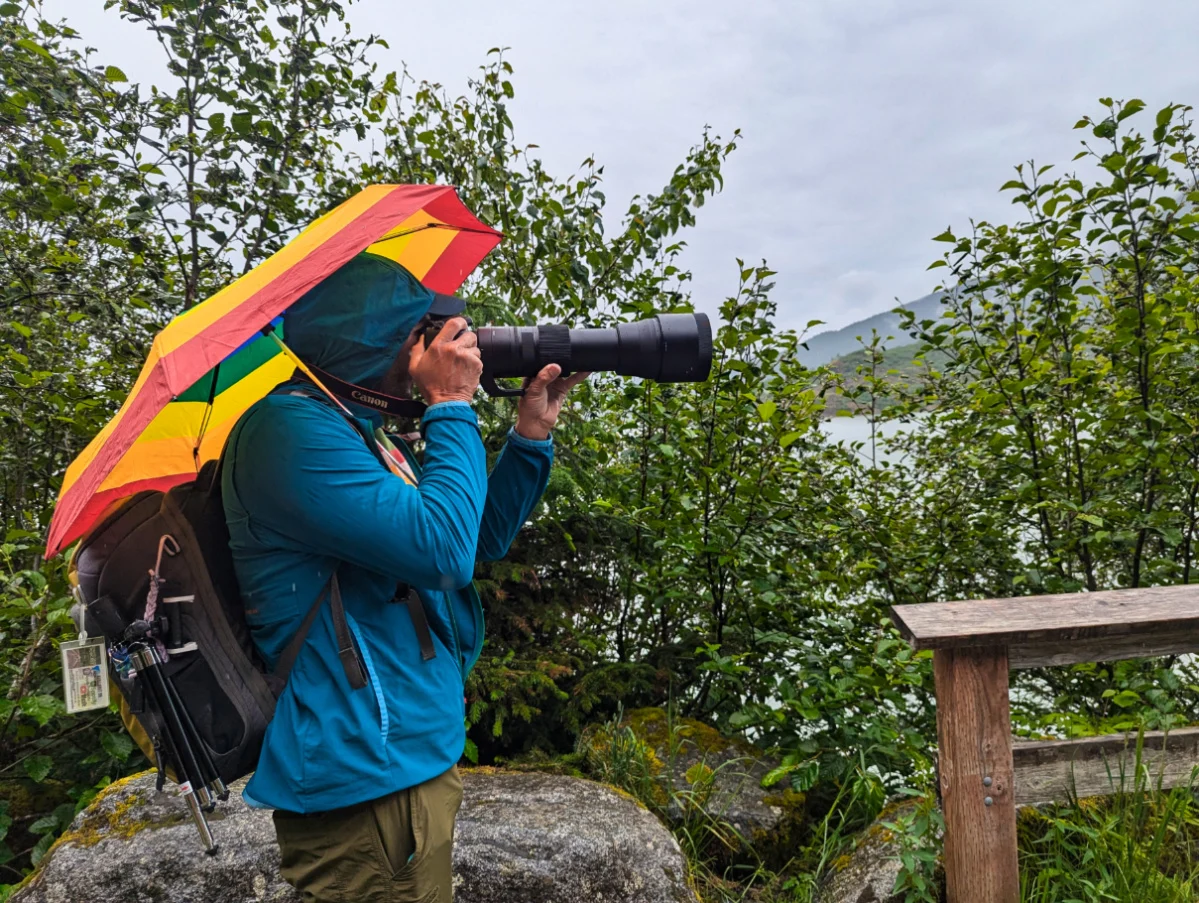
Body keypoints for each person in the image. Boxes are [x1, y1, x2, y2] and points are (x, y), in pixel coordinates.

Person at [221, 252, 587, 902]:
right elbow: (440, 551)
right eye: (422, 331)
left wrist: (531, 433)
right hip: (366, 774)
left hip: (405, 761)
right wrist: (450, 403)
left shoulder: (361, 430)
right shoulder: (289, 432)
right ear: (375, 338)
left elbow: (469, 540)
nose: (443, 345)